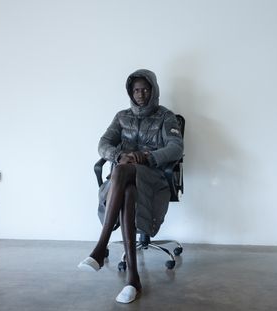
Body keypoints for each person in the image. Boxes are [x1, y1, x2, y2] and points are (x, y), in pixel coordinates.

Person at [78, 69, 183, 304]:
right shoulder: (121, 117)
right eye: (136, 90)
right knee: (127, 187)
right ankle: (133, 279)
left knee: (122, 172)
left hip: (153, 176)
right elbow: (103, 143)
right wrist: (118, 155)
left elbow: (177, 147)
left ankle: (100, 247)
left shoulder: (166, 117)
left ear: (154, 90)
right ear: (130, 92)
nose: (141, 94)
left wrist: (147, 157)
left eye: (145, 89)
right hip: (124, 181)